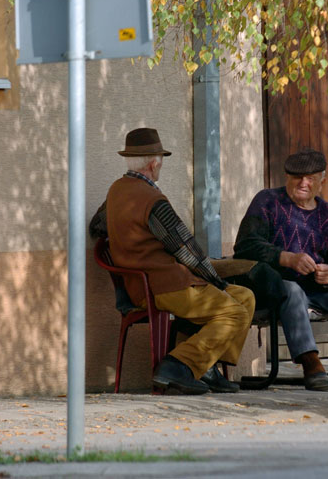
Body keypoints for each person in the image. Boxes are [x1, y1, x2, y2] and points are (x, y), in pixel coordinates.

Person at [90, 128, 254, 395]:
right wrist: (215, 280)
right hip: (165, 286)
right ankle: (177, 366)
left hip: (142, 284)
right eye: (160, 161)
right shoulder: (153, 200)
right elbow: (186, 249)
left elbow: (97, 227)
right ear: (155, 163)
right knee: (234, 312)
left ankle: (206, 368)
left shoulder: (116, 191)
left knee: (245, 297)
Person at [233, 148, 328, 391]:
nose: (304, 183)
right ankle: (311, 365)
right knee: (292, 290)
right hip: (274, 290)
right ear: (286, 178)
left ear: (321, 182)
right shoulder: (267, 201)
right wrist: (286, 258)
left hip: (317, 291)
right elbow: (245, 246)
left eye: (311, 178)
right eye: (297, 178)